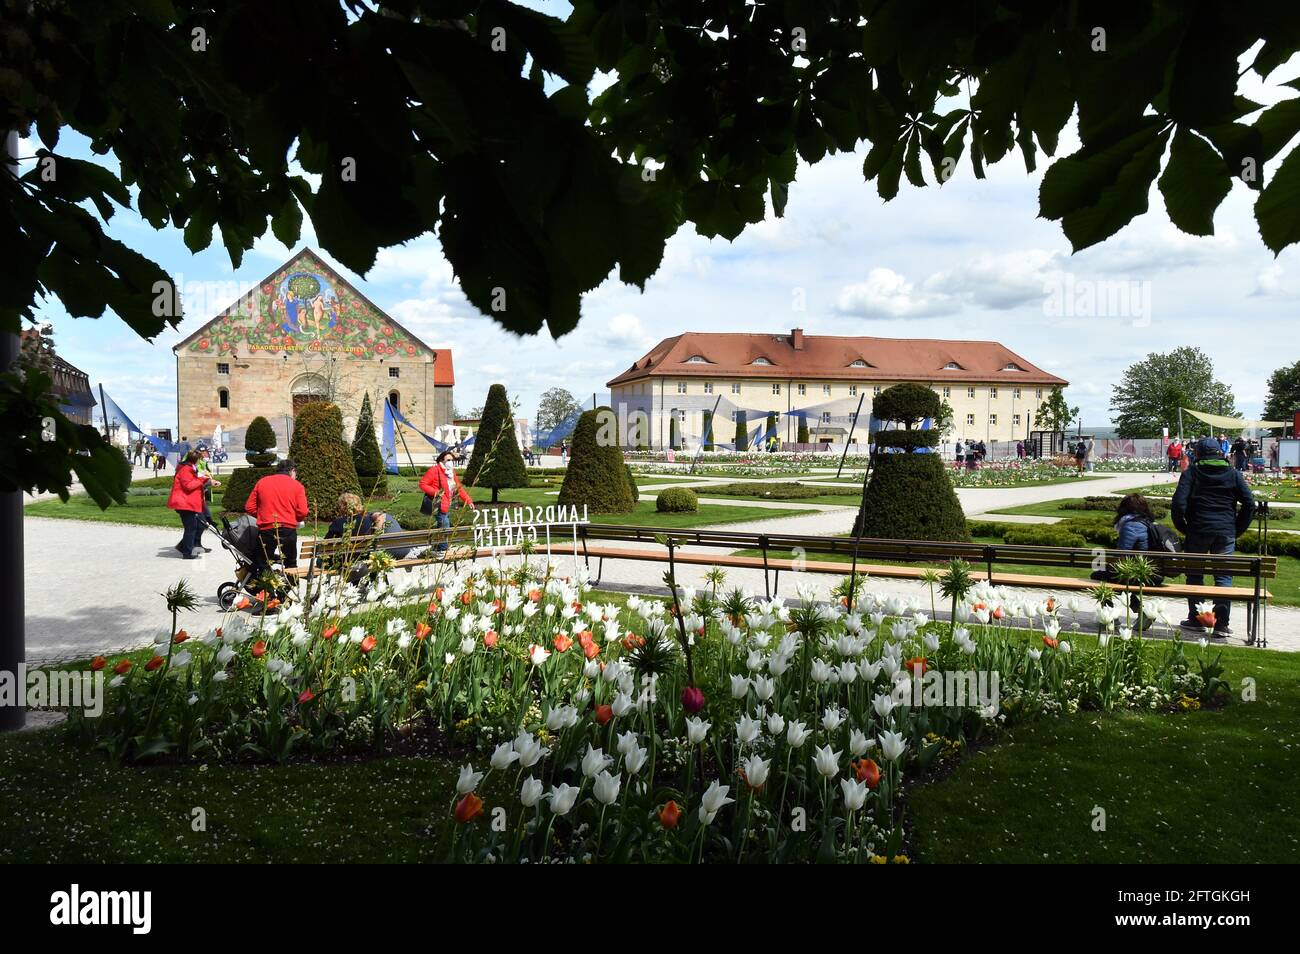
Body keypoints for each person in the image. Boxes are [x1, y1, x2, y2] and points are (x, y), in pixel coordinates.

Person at [1172, 436, 1256, 637]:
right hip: (1225, 531)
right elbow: (1249, 504)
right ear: (1220, 452)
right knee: (1223, 576)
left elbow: (1178, 505)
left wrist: (1184, 528)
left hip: (1198, 529)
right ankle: (1221, 623)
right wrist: (1237, 529)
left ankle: (1197, 618)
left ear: (1197, 454)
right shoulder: (1233, 474)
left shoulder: (1192, 473)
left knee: (1194, 575)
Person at [1090, 493, 1161, 628]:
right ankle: (1141, 612)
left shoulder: (1130, 525)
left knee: (1100, 575)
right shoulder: (1148, 523)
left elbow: (1122, 555)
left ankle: (1110, 615)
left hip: (1140, 573)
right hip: (1151, 572)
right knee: (1116, 578)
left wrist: (1109, 564)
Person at [245, 458, 310, 574]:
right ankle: (287, 589)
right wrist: (296, 518)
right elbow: (303, 512)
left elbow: (249, 507)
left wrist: (262, 515)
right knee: (290, 563)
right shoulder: (297, 486)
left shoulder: (262, 482)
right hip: (288, 528)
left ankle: (267, 589)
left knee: (264, 562)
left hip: (267, 528)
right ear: (292, 470)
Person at [419, 450, 475, 554]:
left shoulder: (451, 472)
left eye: (452, 460)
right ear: (442, 460)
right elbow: (423, 484)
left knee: (442, 526)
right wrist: (436, 492)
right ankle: (443, 550)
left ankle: (436, 548)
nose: (451, 462)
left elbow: (458, 488)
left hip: (447, 504)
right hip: (437, 504)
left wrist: (468, 501)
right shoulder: (434, 470)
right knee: (445, 526)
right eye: (448, 460)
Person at [167, 450, 213, 560]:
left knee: (196, 526)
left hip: (189, 502)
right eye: (199, 459)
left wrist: (205, 480)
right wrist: (203, 480)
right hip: (184, 503)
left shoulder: (190, 468)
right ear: (195, 460)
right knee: (191, 528)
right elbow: (188, 486)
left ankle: (185, 547)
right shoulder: (186, 469)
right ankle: (187, 552)